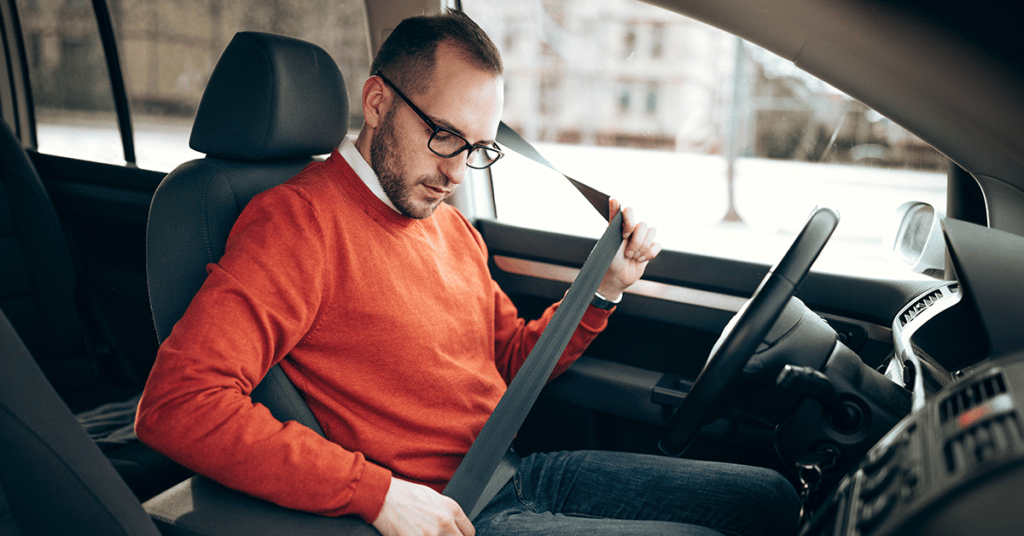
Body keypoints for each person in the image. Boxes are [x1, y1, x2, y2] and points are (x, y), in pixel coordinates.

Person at [136, 9, 800, 536]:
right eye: (443, 135)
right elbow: (177, 406)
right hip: (450, 515)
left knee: (770, 498)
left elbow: (507, 363)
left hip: (522, 473)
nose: (456, 172)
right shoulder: (299, 223)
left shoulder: (449, 225)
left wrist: (603, 290)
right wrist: (378, 494)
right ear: (376, 104)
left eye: (478, 148)